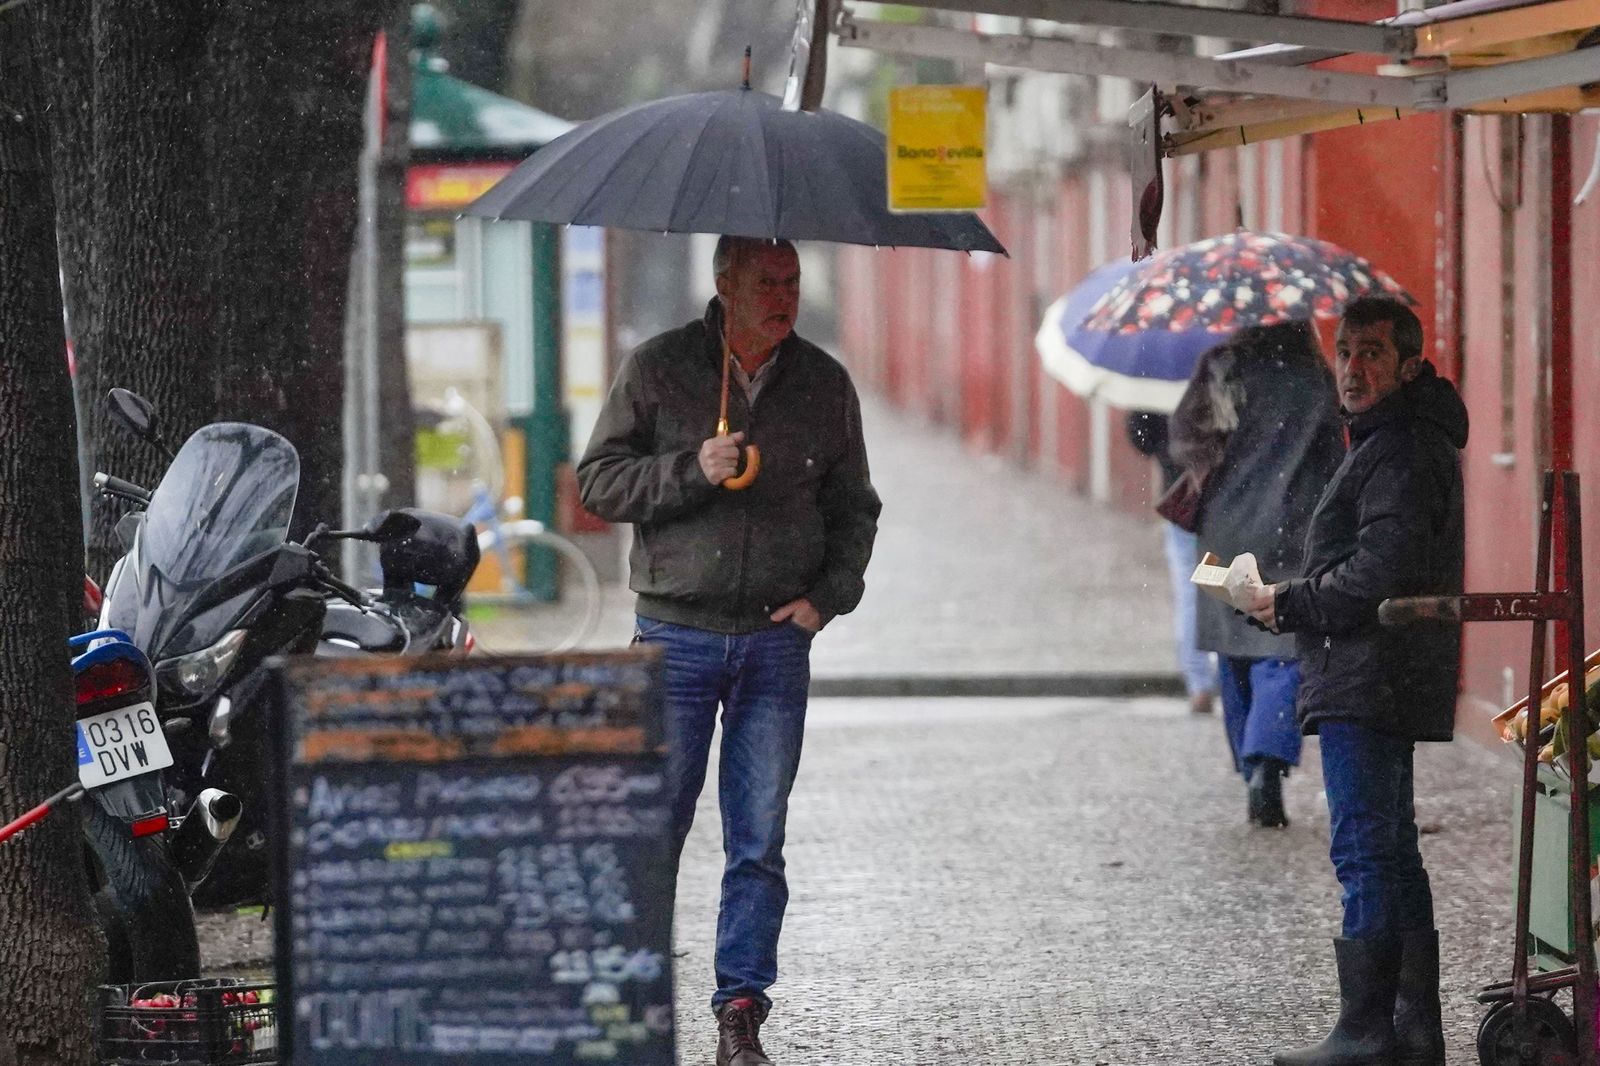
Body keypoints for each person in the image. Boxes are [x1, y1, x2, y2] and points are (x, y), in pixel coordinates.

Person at [576, 235, 881, 1066]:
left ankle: (739, 1012)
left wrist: (826, 599)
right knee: (652, 831)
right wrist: (690, 468)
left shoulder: (823, 383)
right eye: (766, 283)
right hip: (675, 635)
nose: (783, 297)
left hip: (776, 644)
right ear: (724, 284)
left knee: (758, 838)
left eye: (792, 282)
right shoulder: (660, 367)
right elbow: (598, 481)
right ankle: (631, 1007)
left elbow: (856, 509)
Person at [1247, 296, 1467, 1066]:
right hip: (1378, 670)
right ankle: (1411, 1031)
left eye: (1371, 353)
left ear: (1408, 366)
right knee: (1391, 849)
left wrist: (1291, 601)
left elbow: (1379, 572)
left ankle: (1367, 1031)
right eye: (1344, 352)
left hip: (1373, 672)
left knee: (1366, 850)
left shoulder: (1402, 449)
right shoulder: (1389, 440)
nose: (1352, 368)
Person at [1170, 321, 1344, 828]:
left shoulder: (1223, 367)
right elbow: (1335, 451)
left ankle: (1251, 762)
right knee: (1284, 645)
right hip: (1297, 521)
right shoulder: (1314, 374)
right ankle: (1268, 757)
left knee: (1234, 649)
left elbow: (1184, 439)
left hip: (1227, 522)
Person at [1126, 410, 1217, 715]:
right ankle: (1231, 678)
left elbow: (1138, 433)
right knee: (1228, 585)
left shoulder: (1160, 379)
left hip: (1180, 497)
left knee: (1189, 591)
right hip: (1225, 497)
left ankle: (1200, 683)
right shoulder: (1220, 372)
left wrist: (1165, 449)